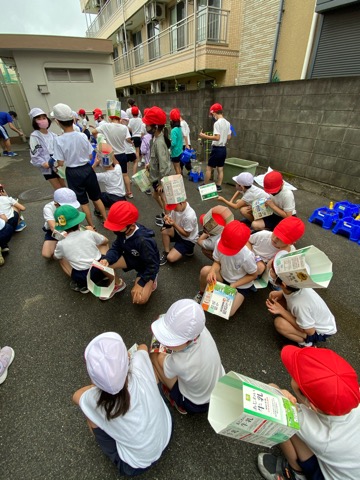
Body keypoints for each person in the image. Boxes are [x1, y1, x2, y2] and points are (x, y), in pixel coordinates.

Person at [73, 332, 172, 476]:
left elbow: (76, 396)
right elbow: (143, 347)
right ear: (127, 358)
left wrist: (96, 386)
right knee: (149, 374)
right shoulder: (138, 365)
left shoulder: (94, 400)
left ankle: (107, 443)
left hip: (135, 465)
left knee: (89, 413)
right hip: (167, 431)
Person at [257, 346, 360, 480]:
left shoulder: (322, 434)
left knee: (281, 416)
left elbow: (269, 399)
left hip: (324, 475)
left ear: (311, 405)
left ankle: (295, 472)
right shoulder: (352, 393)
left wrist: (276, 391)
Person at [150, 299, 225, 414]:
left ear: (188, 340)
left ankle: (179, 403)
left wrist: (160, 353)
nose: (166, 343)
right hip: (218, 387)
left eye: (171, 341)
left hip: (195, 404)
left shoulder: (181, 362)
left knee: (154, 357)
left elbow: (161, 362)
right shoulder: (201, 330)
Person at [51, 103, 107, 228]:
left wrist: (57, 165)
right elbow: (90, 156)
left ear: (58, 122)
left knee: (83, 202)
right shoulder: (82, 136)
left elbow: (60, 162)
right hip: (87, 169)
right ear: (73, 119)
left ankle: (91, 226)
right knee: (96, 197)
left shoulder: (58, 140)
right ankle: (106, 219)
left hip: (72, 172)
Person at [266, 251, 337, 347]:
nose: (270, 271)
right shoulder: (297, 286)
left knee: (279, 323)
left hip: (318, 331)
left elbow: (310, 331)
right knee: (273, 295)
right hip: (309, 318)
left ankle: (306, 343)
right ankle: (295, 321)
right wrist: (280, 295)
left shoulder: (299, 304)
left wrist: (282, 311)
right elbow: (288, 295)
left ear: (283, 284)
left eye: (272, 271)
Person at [100, 202, 160, 305]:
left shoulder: (143, 241)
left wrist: (141, 283)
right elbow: (116, 247)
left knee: (139, 299)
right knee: (103, 266)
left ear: (131, 227)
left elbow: (152, 265)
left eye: (117, 228)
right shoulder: (124, 231)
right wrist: (107, 259)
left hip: (146, 267)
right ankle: (118, 284)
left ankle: (152, 280)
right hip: (131, 257)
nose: (115, 231)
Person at [53, 205, 118, 297]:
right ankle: (105, 275)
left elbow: (56, 256)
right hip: (100, 268)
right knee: (103, 244)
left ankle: (80, 284)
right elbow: (106, 240)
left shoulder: (61, 243)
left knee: (61, 259)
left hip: (82, 277)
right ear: (79, 223)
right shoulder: (88, 233)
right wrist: (93, 231)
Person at [195, 221, 257, 317]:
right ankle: (201, 293)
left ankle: (224, 293)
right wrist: (212, 271)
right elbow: (217, 261)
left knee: (229, 312)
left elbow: (253, 275)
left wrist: (235, 284)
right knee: (205, 271)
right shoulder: (220, 242)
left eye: (229, 250)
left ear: (242, 245)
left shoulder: (247, 256)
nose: (226, 251)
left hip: (240, 285)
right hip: (224, 276)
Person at [92, 112, 133, 199]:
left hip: (110, 154)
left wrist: (99, 139)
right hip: (122, 153)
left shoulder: (106, 126)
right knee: (125, 174)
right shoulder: (124, 127)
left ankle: (114, 192)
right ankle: (129, 192)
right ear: (119, 119)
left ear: (110, 118)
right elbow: (128, 138)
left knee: (110, 174)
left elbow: (93, 131)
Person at [142, 106, 171, 223]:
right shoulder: (155, 138)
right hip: (156, 177)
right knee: (156, 196)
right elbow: (157, 159)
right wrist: (150, 164)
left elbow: (164, 164)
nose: (145, 126)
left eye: (147, 124)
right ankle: (166, 213)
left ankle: (168, 219)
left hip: (159, 179)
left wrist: (162, 183)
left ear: (156, 126)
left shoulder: (159, 142)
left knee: (164, 199)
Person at [29, 107, 66, 191]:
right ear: (34, 121)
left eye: (44, 118)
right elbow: (34, 155)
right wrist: (43, 163)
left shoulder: (52, 134)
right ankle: (60, 203)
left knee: (64, 187)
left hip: (57, 163)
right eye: (39, 118)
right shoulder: (35, 136)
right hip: (47, 165)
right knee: (58, 189)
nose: (42, 120)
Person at [198, 103, 231, 192]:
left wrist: (204, 136)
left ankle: (204, 186)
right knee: (220, 169)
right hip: (223, 149)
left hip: (216, 149)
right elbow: (229, 137)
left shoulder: (217, 123)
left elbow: (217, 137)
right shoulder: (227, 123)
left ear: (215, 113)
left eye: (212, 114)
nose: (212, 116)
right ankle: (218, 186)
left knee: (209, 168)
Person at [41, 187, 80, 259]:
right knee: (46, 254)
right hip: (55, 229)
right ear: (56, 204)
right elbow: (53, 228)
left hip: (71, 227)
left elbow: (76, 220)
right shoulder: (48, 208)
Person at [159, 200, 199, 266]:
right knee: (164, 231)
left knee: (170, 258)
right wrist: (167, 220)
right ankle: (167, 252)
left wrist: (174, 224)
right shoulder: (177, 208)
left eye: (174, 207)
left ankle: (188, 249)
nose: (173, 209)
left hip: (188, 240)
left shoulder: (190, 216)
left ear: (182, 203)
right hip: (178, 232)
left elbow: (186, 234)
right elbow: (171, 217)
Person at [128, 106, 143, 174]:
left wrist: (133, 131)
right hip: (140, 136)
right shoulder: (140, 119)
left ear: (131, 113)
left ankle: (138, 162)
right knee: (141, 149)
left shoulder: (130, 120)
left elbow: (129, 128)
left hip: (134, 136)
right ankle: (142, 159)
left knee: (137, 150)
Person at [169, 109, 183, 175]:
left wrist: (169, 146)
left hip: (175, 152)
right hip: (180, 151)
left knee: (176, 168)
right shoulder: (179, 128)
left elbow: (173, 143)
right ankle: (180, 180)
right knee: (179, 167)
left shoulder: (173, 130)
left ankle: (179, 182)